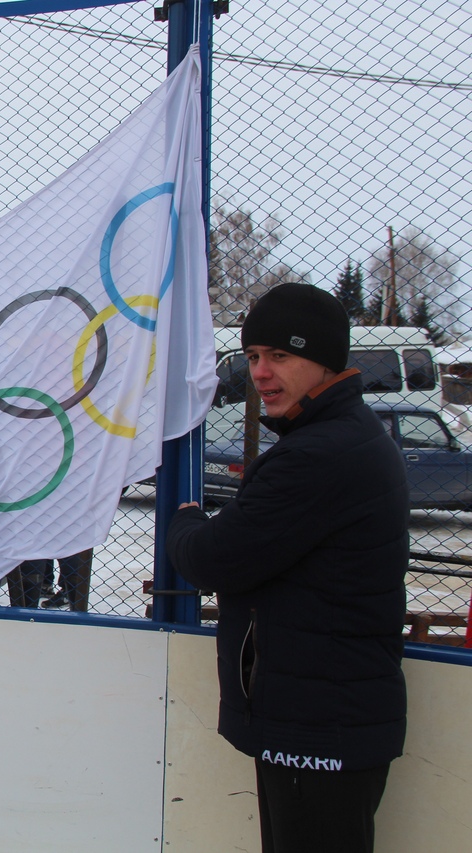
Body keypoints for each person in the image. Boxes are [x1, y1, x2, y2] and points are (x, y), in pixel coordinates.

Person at [167, 283, 408, 853]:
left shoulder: (319, 455)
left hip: (320, 722)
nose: (261, 373)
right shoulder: (341, 438)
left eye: (280, 355)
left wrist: (184, 520)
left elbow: (214, 557)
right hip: (323, 716)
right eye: (252, 357)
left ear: (325, 359)